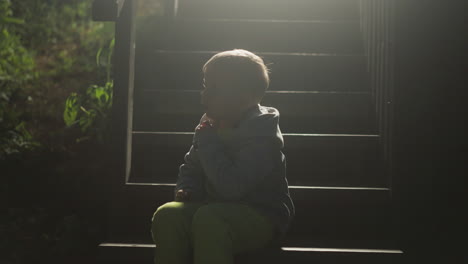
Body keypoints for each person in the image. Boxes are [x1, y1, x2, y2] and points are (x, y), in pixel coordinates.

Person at [150, 49, 295, 264]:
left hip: (260, 214)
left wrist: (208, 141)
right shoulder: (210, 123)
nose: (204, 94)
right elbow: (192, 165)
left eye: (215, 89)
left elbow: (233, 188)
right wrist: (188, 188)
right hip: (213, 208)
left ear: (244, 97)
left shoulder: (262, 135)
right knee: (168, 215)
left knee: (210, 220)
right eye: (205, 86)